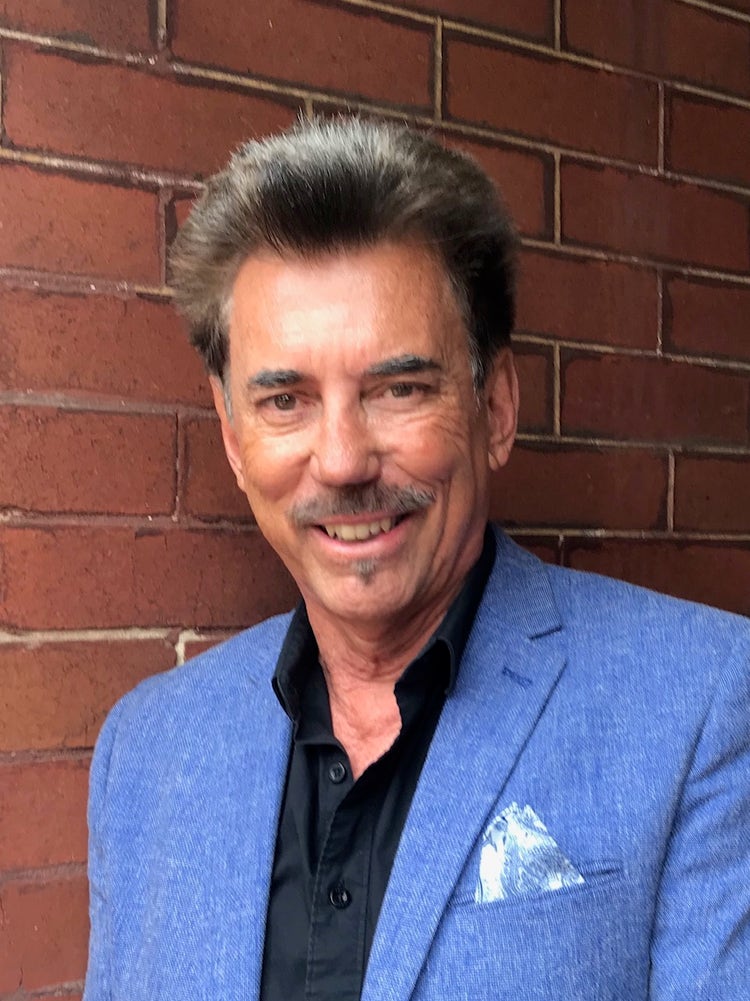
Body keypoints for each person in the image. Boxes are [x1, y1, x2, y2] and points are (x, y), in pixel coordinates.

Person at [83, 118, 750, 1001]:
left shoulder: (702, 700)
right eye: (285, 400)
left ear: (496, 407)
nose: (342, 460)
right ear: (234, 436)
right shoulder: (144, 752)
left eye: (399, 388)